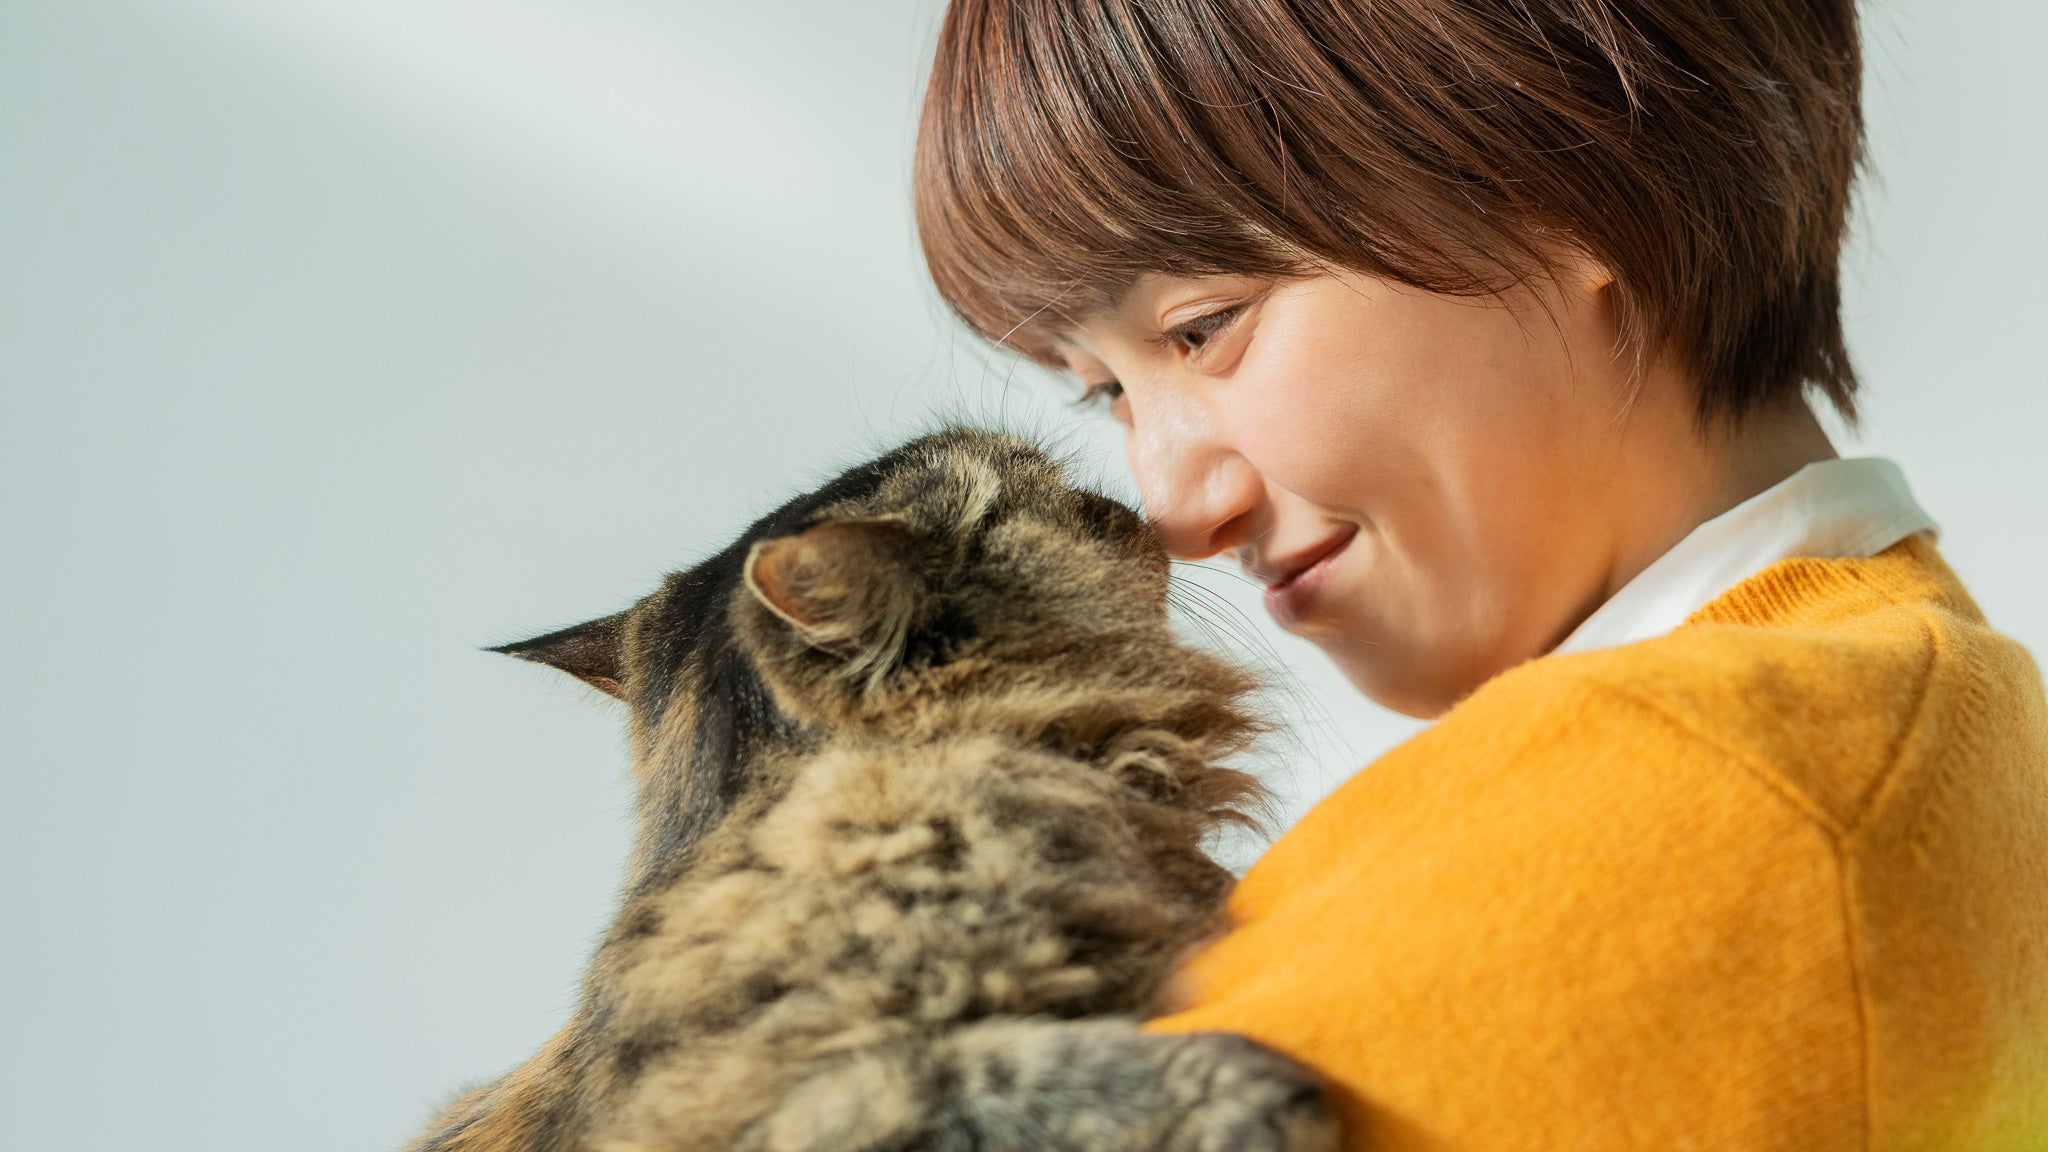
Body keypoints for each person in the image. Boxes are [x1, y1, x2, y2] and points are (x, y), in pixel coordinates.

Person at [911, 1, 2048, 1149]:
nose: (1171, 510)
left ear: (1575, 168)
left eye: (1202, 328)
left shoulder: (1709, 786)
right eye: (1103, 391)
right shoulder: (1922, 719)